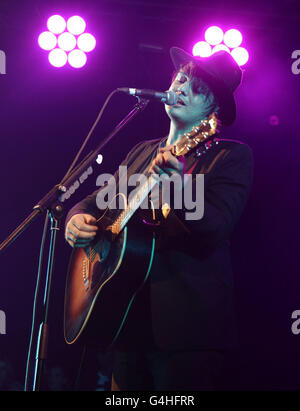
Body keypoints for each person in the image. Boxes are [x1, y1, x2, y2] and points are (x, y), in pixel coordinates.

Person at [64, 47, 253, 390]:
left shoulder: (229, 156)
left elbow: (214, 229)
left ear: (214, 110)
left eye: (198, 88)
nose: (181, 88)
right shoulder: (141, 151)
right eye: (181, 78)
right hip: (126, 320)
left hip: (187, 333)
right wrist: (75, 219)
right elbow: (93, 202)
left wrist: (178, 188)